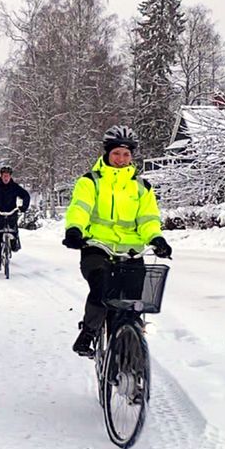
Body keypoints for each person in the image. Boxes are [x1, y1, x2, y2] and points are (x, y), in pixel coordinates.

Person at [62, 125, 172, 356]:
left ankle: (129, 350)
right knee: (102, 287)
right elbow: (79, 209)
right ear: (107, 153)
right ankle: (89, 333)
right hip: (96, 248)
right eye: (116, 153)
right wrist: (74, 230)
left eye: (126, 154)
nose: (121, 159)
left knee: (133, 303)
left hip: (131, 251)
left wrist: (156, 238)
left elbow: (148, 218)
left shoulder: (142, 187)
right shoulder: (90, 182)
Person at [0, 166, 30, 271]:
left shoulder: (14, 187)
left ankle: (14, 243)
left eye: (8, 176)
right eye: (4, 176)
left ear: (10, 176)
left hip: (11, 213)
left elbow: (25, 195)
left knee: (14, 229)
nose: (6, 178)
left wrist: (24, 206)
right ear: (1, 176)